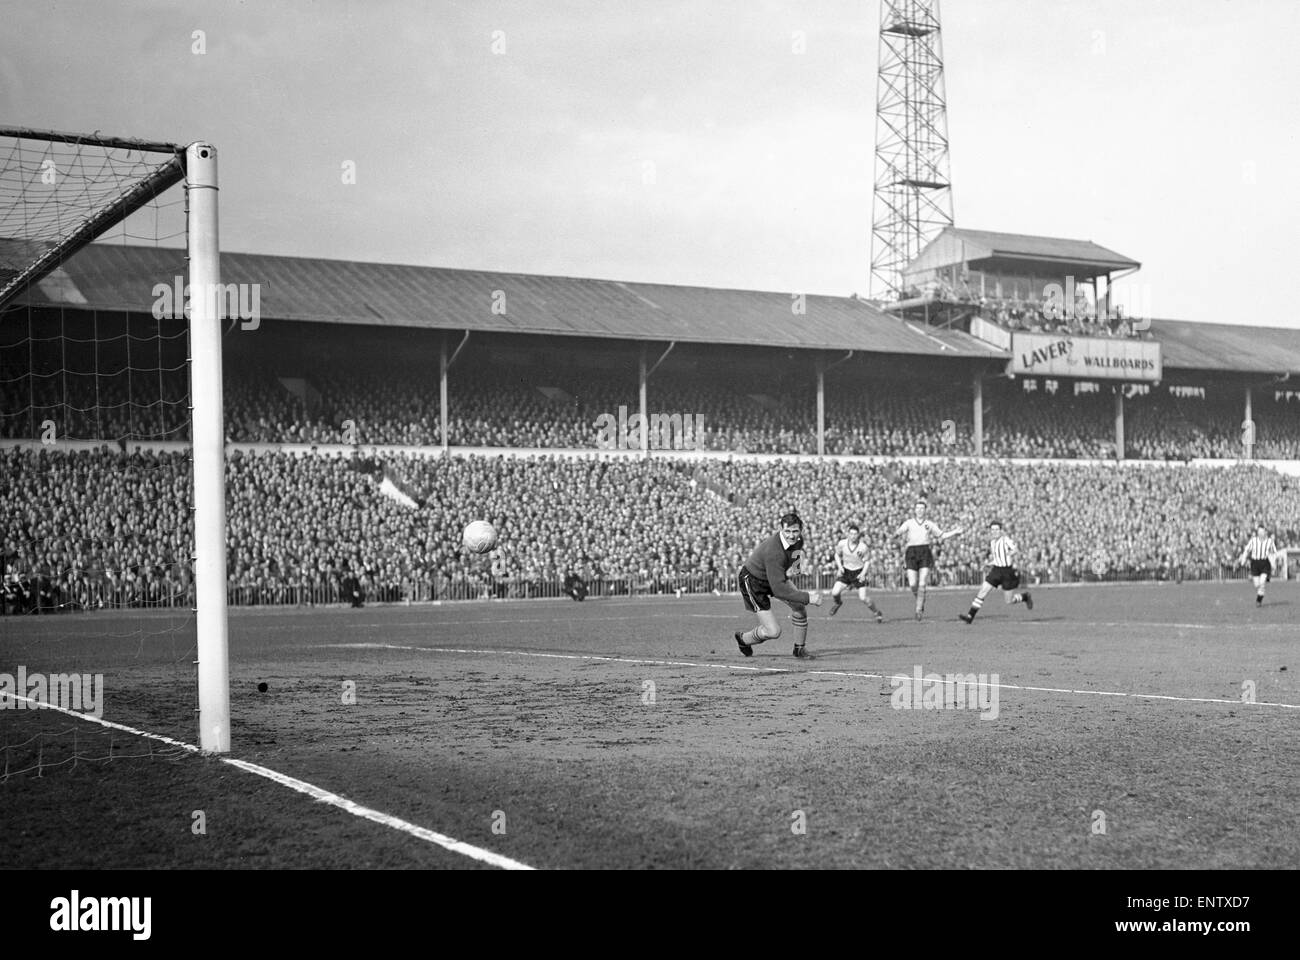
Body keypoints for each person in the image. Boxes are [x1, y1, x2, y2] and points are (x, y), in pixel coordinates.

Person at [734, 512, 822, 659]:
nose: (791, 535)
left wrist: (796, 568)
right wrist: (808, 597)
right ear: (781, 529)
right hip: (754, 581)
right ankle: (744, 639)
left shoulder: (799, 540)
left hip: (774, 576)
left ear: (801, 530)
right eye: (787, 531)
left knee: (799, 609)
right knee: (773, 632)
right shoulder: (774, 551)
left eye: (795, 531)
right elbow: (779, 590)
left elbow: (795, 556)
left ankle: (799, 649)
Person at [894, 499, 962, 621]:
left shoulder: (929, 524)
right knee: (912, 584)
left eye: (922, 508)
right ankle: (920, 599)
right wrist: (896, 534)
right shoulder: (909, 523)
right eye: (917, 508)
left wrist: (955, 532)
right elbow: (898, 532)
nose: (919, 510)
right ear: (914, 510)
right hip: (911, 552)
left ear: (925, 510)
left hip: (924, 551)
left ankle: (918, 609)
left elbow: (942, 535)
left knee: (923, 581)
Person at [958, 521, 1033, 623]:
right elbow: (997, 558)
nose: (994, 531)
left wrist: (1009, 553)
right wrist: (989, 563)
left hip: (1007, 572)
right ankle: (970, 617)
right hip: (996, 571)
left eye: (997, 529)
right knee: (982, 592)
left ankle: (1025, 597)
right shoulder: (992, 542)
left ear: (1001, 530)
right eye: (992, 529)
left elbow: (1015, 549)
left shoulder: (1005, 540)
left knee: (1009, 601)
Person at [827, 523, 884, 622]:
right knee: (835, 592)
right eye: (851, 534)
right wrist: (840, 567)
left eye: (855, 534)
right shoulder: (842, 543)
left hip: (858, 572)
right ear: (848, 534)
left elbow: (867, 561)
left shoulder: (863, 547)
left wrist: (863, 574)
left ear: (858, 535)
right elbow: (836, 555)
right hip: (846, 571)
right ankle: (838, 603)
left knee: (863, 598)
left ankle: (877, 612)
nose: (853, 536)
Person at [1238, 525, 1278, 606]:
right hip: (1255, 563)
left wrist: (1273, 563)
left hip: (1264, 563)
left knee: (1262, 582)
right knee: (1257, 585)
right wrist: (1243, 560)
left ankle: (1258, 600)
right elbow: (1247, 550)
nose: (1260, 534)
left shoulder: (1270, 541)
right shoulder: (1253, 541)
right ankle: (1261, 593)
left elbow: (1274, 553)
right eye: (1259, 532)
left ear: (1265, 532)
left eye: (1262, 532)